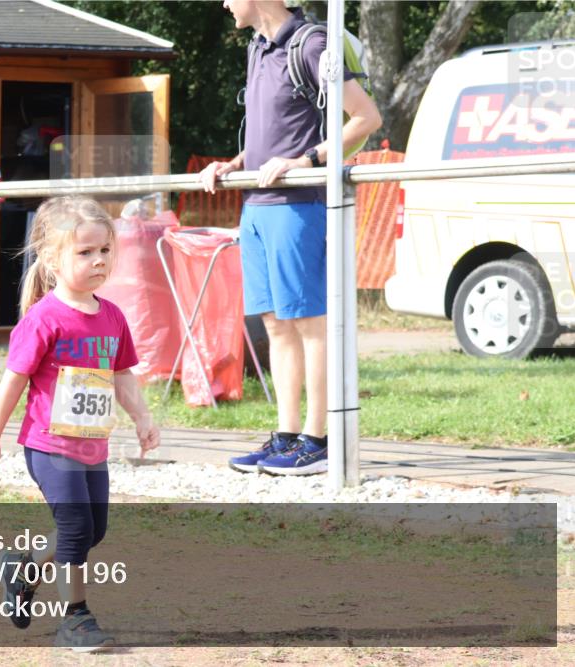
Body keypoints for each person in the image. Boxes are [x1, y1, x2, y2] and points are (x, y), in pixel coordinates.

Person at [201, 1, 381, 475]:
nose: (223, 4)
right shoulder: (257, 49)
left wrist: (307, 161)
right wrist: (235, 164)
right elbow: (274, 128)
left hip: (298, 206)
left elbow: (365, 119)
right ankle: (286, 436)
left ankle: (318, 440)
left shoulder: (313, 43)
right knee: (275, 326)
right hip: (257, 206)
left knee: (308, 325)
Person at [0, 195, 160, 651]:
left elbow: (121, 375)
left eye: (104, 251)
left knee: (93, 530)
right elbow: (13, 383)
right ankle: (75, 618)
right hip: (48, 445)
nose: (99, 260)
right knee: (76, 529)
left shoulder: (113, 317)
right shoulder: (43, 320)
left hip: (91, 447)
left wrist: (142, 418)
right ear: (53, 259)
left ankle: (24, 569)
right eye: (85, 252)